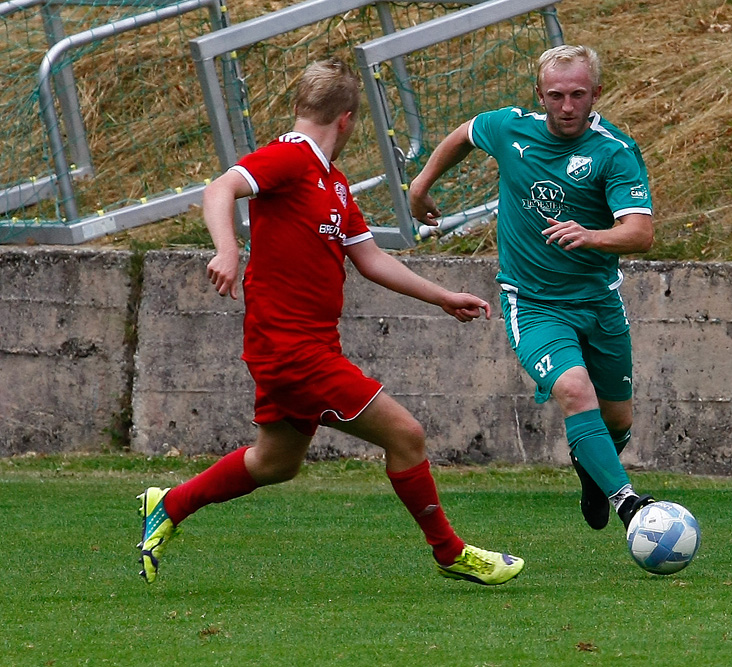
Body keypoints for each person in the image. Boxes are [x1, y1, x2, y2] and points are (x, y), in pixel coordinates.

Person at [136, 58, 523, 587]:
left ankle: (169, 505)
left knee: (275, 463)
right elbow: (218, 189)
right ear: (347, 119)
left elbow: (371, 259)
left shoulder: (333, 183)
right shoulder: (290, 160)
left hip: (306, 346)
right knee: (406, 435)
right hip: (291, 350)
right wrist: (229, 250)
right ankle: (450, 552)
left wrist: (440, 297)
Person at [409, 45, 656, 534]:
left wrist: (592, 236)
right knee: (572, 388)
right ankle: (630, 504)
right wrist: (420, 186)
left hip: (599, 302)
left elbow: (641, 232)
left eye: (578, 95)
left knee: (618, 422)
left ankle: (594, 477)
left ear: (596, 94)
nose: (567, 107)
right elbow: (465, 133)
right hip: (534, 303)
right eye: (557, 95)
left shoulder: (614, 150)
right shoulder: (511, 129)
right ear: (539, 95)